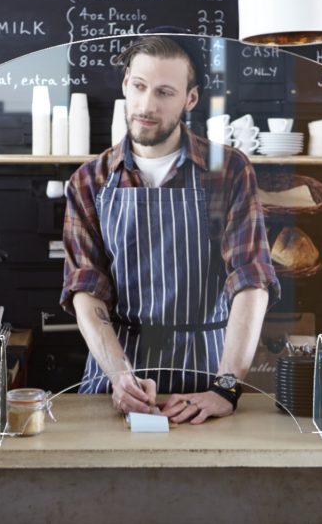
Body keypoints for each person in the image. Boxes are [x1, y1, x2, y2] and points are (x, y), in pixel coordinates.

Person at [61, 35, 279, 425]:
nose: (147, 105)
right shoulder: (89, 181)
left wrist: (227, 387)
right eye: (140, 87)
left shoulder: (228, 170)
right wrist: (119, 375)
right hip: (118, 369)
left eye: (165, 92)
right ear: (126, 83)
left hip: (205, 375)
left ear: (189, 99)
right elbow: (85, 291)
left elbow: (251, 281)